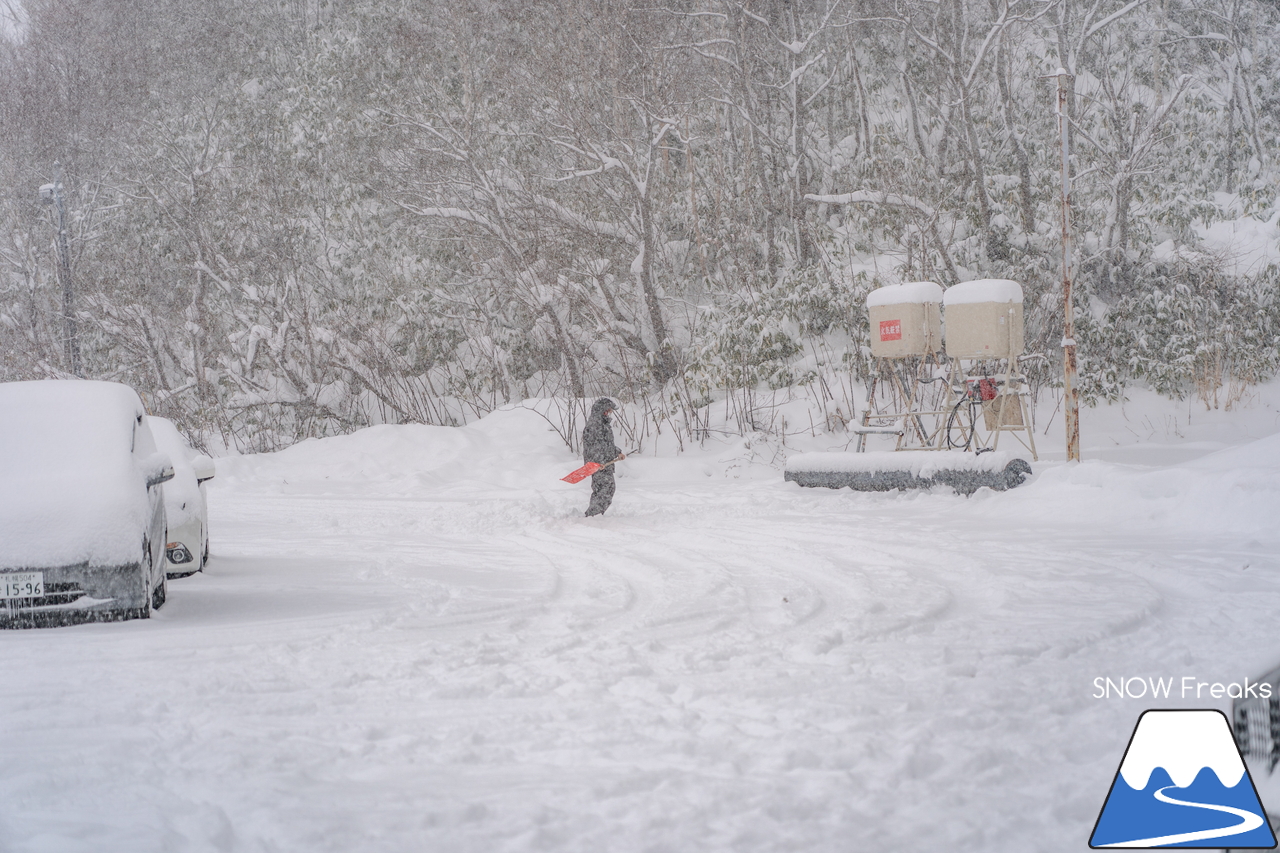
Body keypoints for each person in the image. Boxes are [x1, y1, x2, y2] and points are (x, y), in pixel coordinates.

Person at [582, 397, 623, 517]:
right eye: (607, 411)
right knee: (605, 489)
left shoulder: (603, 424)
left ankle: (594, 515)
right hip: (599, 464)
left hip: (604, 463)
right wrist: (599, 463)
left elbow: (606, 444)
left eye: (610, 411)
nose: (609, 413)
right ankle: (594, 514)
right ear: (601, 410)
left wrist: (617, 452)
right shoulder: (596, 424)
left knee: (604, 489)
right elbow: (594, 446)